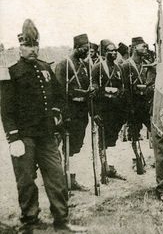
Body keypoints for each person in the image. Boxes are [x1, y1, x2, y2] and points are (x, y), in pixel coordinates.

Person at [0, 19, 86, 233]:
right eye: (28, 46)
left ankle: (61, 221)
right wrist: (13, 138)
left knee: (56, 177)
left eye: (35, 45)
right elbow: (6, 109)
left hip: (47, 135)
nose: (33, 49)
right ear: (20, 47)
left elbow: (58, 97)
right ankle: (29, 221)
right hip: (24, 137)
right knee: (26, 180)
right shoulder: (12, 72)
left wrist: (58, 114)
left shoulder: (45, 68)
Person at [54, 33, 92, 191]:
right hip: (68, 113)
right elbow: (58, 92)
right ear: (76, 48)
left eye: (88, 48)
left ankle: (72, 178)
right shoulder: (64, 64)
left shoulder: (84, 66)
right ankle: (61, 179)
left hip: (81, 113)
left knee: (76, 146)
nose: (87, 51)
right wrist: (64, 114)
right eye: (84, 48)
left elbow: (86, 89)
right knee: (63, 146)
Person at [92, 39, 127, 180]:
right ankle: (103, 169)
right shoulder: (97, 68)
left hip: (116, 109)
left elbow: (122, 86)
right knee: (103, 139)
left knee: (112, 139)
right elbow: (94, 91)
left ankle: (111, 168)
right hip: (103, 109)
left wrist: (119, 93)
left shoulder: (119, 68)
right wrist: (95, 112)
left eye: (114, 51)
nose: (113, 53)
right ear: (104, 53)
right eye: (110, 51)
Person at [122, 37, 156, 169]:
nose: (145, 49)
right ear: (135, 47)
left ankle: (155, 158)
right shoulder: (126, 65)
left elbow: (152, 81)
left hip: (146, 103)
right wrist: (129, 106)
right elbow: (124, 87)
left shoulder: (147, 63)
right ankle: (136, 160)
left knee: (153, 130)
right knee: (134, 133)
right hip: (133, 104)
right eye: (143, 46)